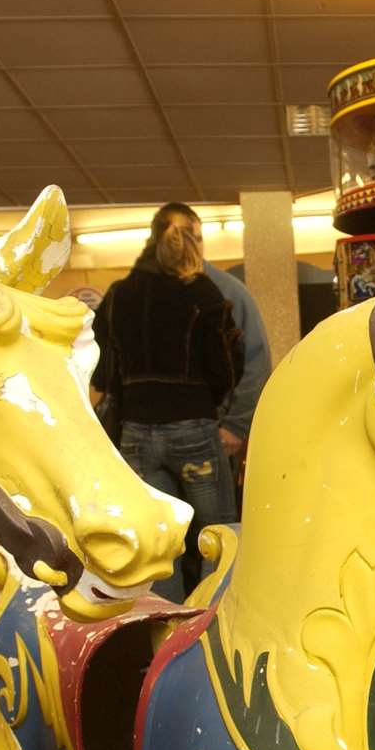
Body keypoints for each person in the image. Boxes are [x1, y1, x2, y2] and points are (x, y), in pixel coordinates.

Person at [94, 202, 241, 601]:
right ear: (193, 240)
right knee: (218, 534)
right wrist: (211, 403)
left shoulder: (119, 295)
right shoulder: (204, 294)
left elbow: (104, 367)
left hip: (137, 434)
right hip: (192, 426)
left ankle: (168, 630)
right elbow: (227, 365)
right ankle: (216, 623)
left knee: (161, 538)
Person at [202, 260, 271, 473]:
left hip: (215, 429)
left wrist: (235, 426)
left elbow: (256, 362)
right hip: (209, 427)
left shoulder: (227, 291)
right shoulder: (144, 291)